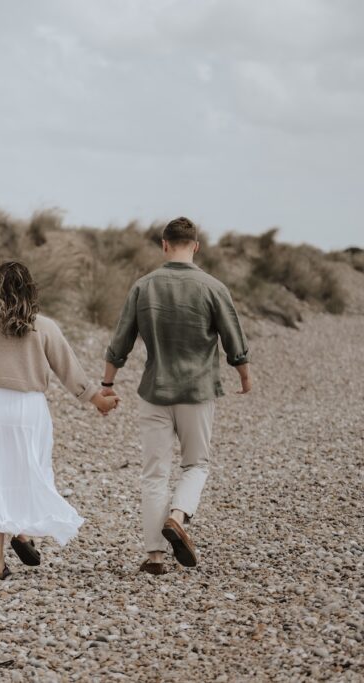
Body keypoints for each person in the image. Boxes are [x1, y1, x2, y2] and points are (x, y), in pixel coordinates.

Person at [102, 216, 251, 576]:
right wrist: (243, 373)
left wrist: (107, 384)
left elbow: (120, 341)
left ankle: (154, 556)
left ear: (164, 244)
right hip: (197, 393)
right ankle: (178, 516)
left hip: (154, 390)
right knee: (196, 464)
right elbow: (234, 339)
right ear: (196, 246)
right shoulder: (213, 287)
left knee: (154, 472)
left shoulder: (144, 287)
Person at [0, 261, 120, 580]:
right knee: (26, 474)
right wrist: (97, 399)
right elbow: (68, 370)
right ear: (31, 289)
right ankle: (21, 532)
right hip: (30, 409)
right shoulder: (44, 327)